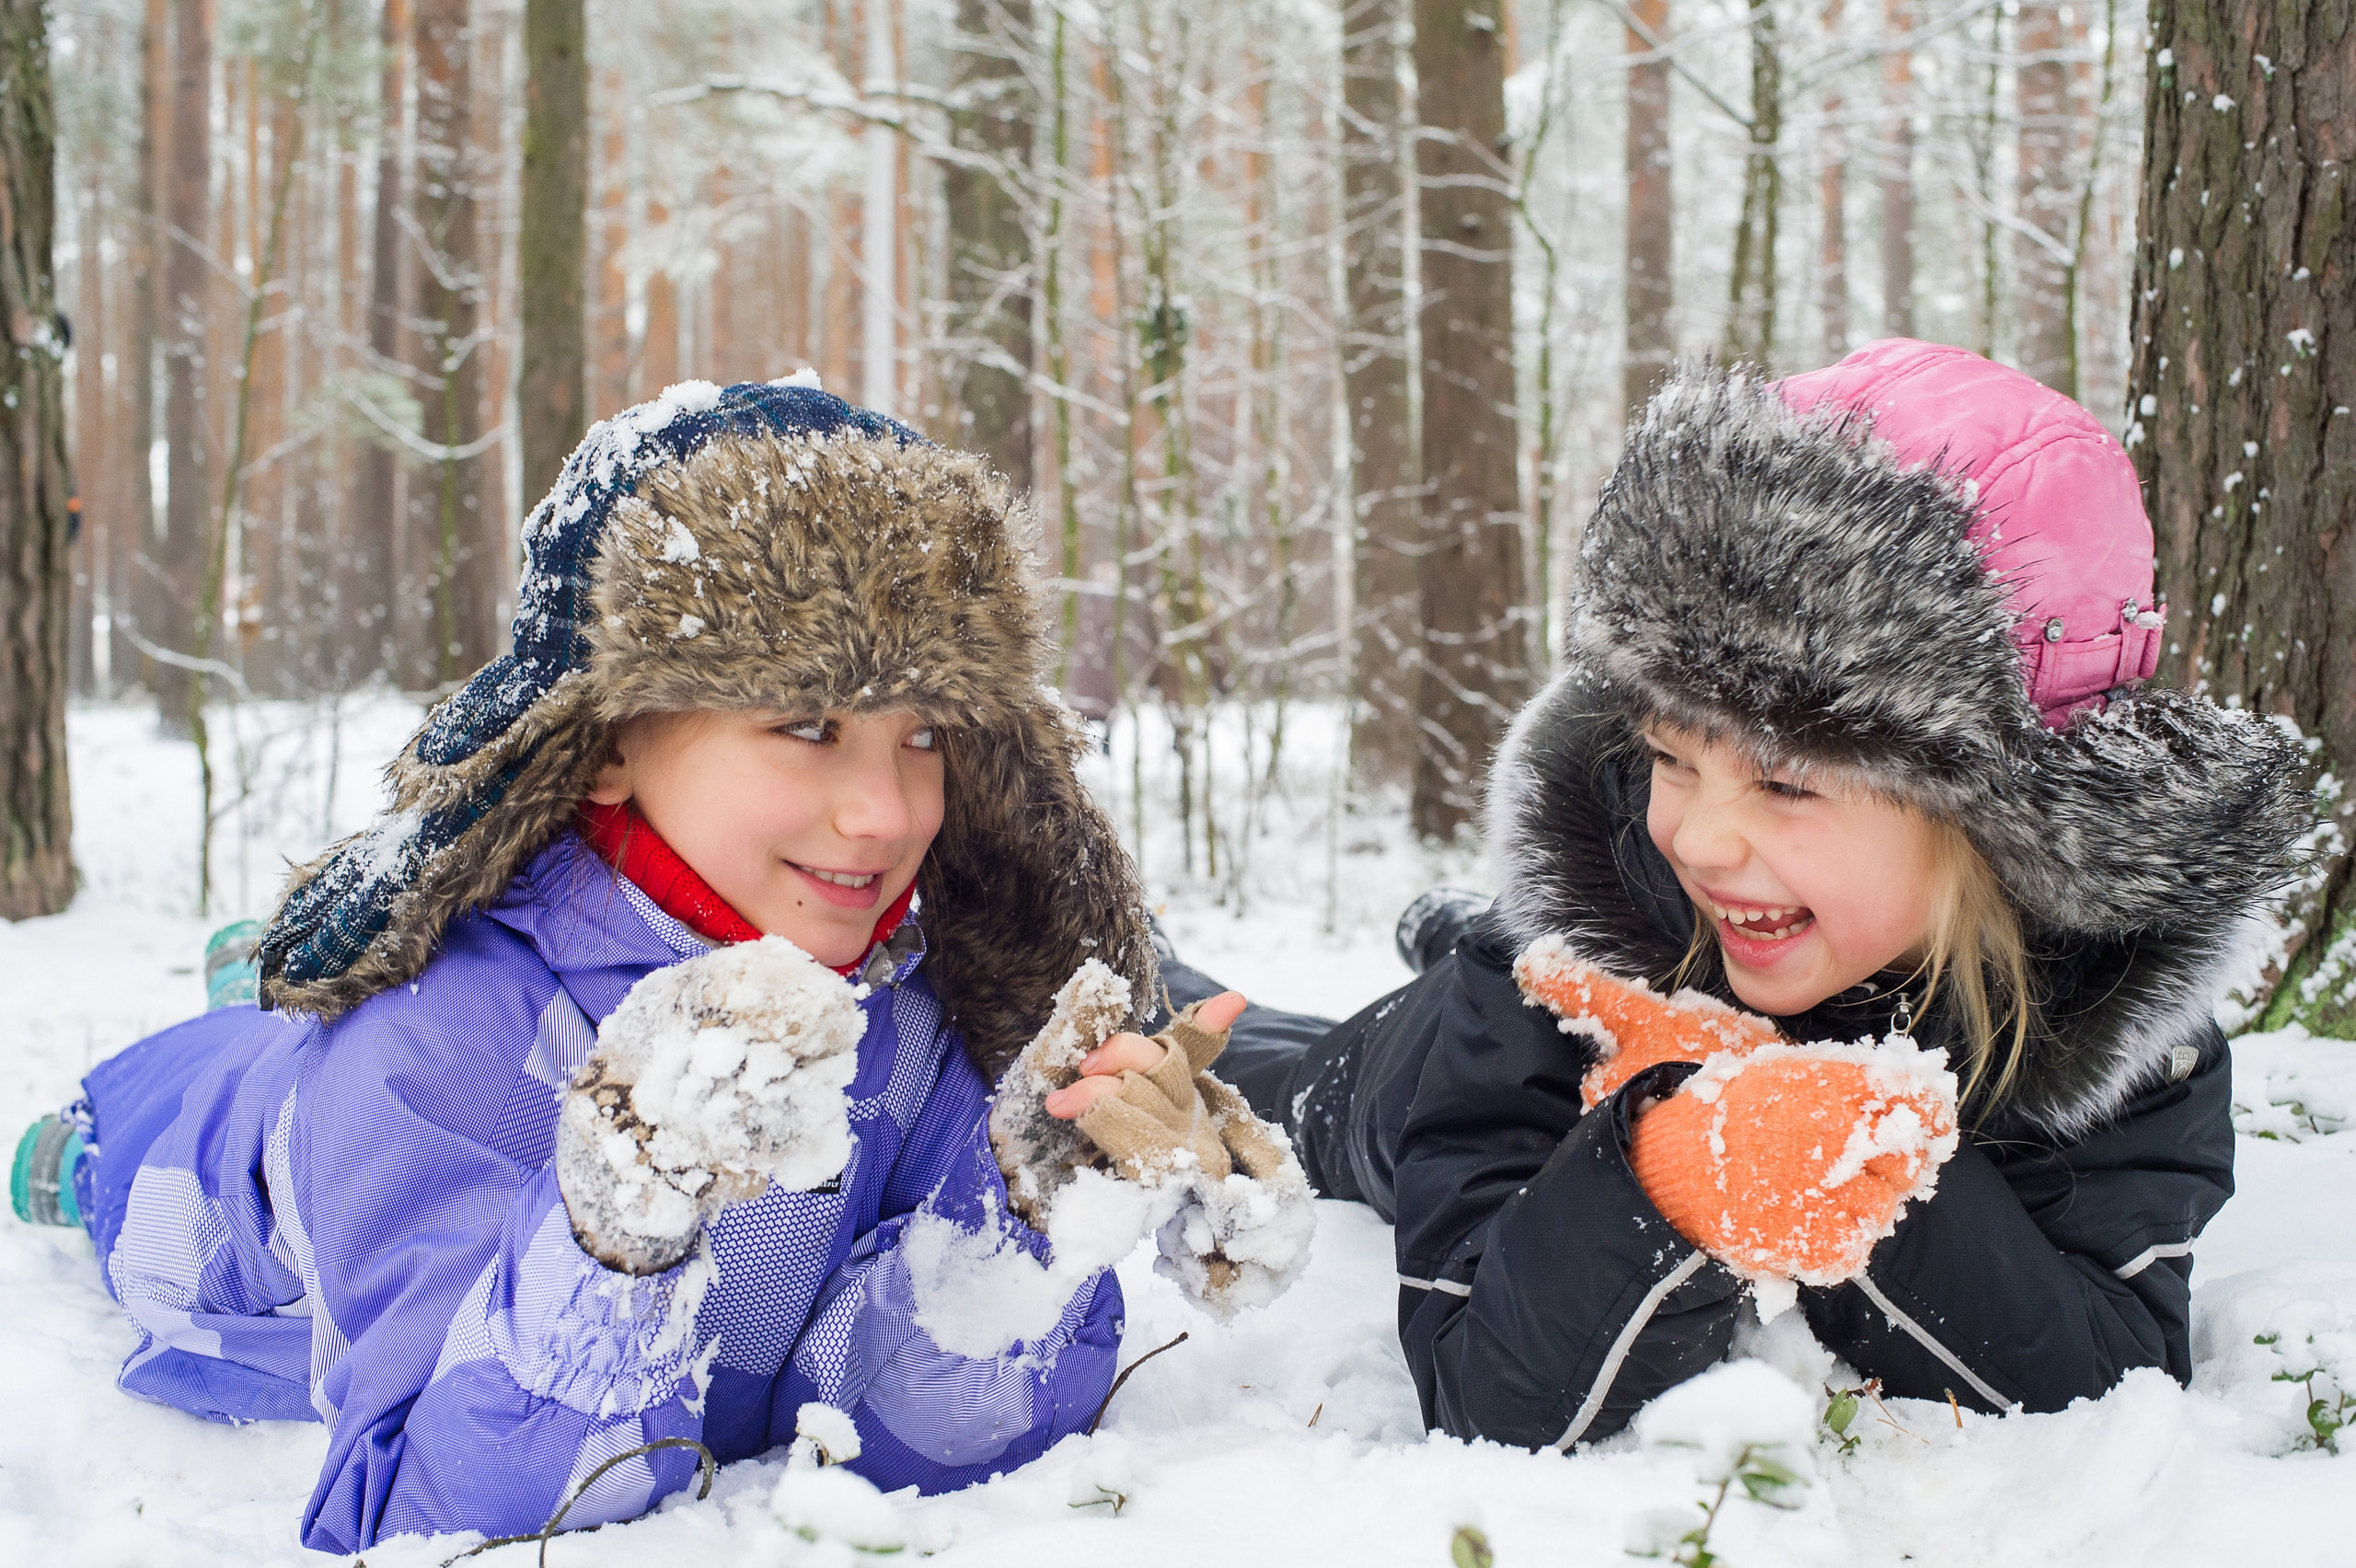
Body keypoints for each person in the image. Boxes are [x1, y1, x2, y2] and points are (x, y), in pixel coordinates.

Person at [10, 379, 1300, 1551]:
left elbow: (876, 1425)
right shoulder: (434, 1041)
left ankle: (251, 982)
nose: (886, 813)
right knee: (203, 1120)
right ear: (612, 738)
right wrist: (609, 1234)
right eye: (807, 723)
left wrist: (1029, 1221)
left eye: (925, 735)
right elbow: (434, 1507)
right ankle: (102, 1138)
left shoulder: (916, 1004)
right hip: (256, 1183)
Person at [1156, 339, 2312, 1448]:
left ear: (1993, 827)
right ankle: (1175, 963)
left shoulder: (2107, 1031)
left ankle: (1433, 921)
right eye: (1668, 758)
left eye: (1787, 784)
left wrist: (1833, 1148)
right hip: (1426, 1062)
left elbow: (2102, 1371)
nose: (1699, 837)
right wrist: (1670, 1172)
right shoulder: (1562, 966)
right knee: (1287, 1068)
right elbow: (1482, 1393)